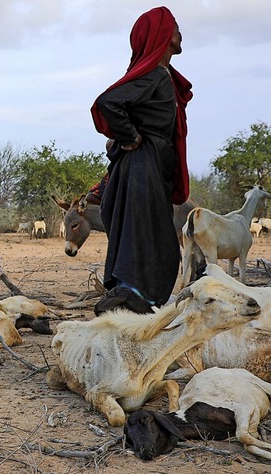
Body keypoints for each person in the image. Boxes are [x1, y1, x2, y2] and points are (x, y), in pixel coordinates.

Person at [90, 6, 193, 313]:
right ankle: (131, 299)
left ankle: (133, 298)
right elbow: (107, 103)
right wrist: (131, 137)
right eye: (175, 27)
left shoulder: (160, 76)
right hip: (142, 167)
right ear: (163, 35)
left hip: (146, 167)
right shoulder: (155, 76)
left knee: (147, 231)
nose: (179, 32)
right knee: (148, 233)